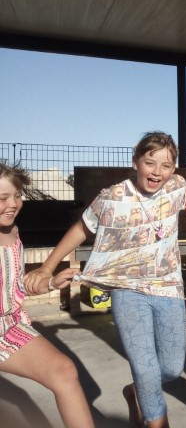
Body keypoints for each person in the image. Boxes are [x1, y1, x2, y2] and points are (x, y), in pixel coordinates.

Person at [24, 131, 186, 428]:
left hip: (168, 289)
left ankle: (135, 391)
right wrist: (47, 266)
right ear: (136, 162)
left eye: (166, 165)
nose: (157, 171)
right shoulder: (112, 197)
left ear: (173, 169)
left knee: (171, 369)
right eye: (150, 163)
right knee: (146, 370)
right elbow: (82, 228)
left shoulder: (175, 186)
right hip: (127, 290)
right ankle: (154, 416)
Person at [0, 163, 95, 428]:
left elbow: (14, 286)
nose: (13, 204)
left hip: (9, 326)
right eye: (3, 198)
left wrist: (50, 283)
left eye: (17, 196)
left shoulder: (12, 231)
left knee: (64, 371)